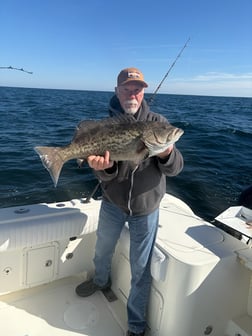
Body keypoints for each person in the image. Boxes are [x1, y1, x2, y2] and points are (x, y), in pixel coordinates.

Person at [75, 67, 184, 336]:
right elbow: (105, 175)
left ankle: (135, 326)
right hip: (112, 202)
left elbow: (176, 168)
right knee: (102, 250)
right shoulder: (103, 126)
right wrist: (105, 168)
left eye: (137, 88)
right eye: (126, 88)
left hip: (146, 209)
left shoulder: (158, 123)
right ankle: (101, 282)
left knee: (140, 269)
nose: (131, 94)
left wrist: (166, 151)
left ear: (143, 91)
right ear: (117, 91)